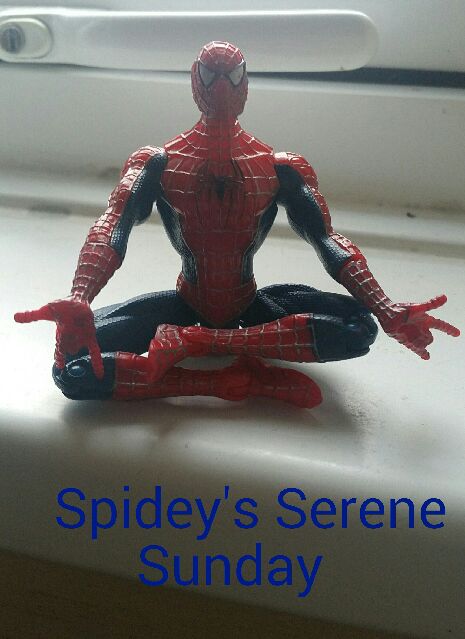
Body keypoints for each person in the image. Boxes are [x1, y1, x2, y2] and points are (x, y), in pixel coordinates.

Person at [15, 41, 459, 408]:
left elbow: (327, 239)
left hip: (247, 303)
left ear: (246, 85)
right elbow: (114, 222)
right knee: (71, 367)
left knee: (361, 327)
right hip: (189, 301)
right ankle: (217, 381)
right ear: (195, 81)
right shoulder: (157, 163)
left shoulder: (280, 167)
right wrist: (80, 297)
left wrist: (384, 306)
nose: (223, 87)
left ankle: (194, 343)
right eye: (212, 76)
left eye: (233, 76)